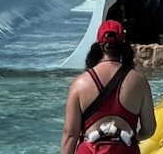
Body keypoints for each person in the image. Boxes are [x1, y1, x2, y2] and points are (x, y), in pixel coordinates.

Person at [61, 20, 156, 154]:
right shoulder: (139, 81)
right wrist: (132, 137)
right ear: (123, 46)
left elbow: (70, 134)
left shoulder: (80, 83)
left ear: (98, 46)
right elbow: (149, 129)